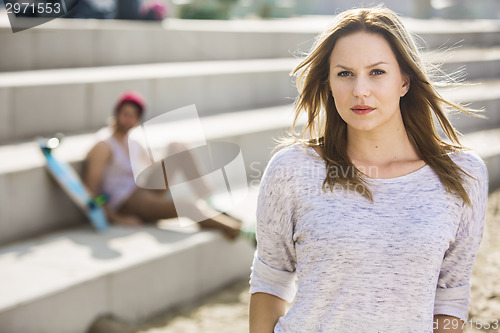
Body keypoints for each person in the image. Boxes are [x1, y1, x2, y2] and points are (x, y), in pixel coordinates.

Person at [249, 6, 488, 333]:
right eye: (345, 74)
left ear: (404, 80)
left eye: (377, 72)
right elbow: (270, 283)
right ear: (329, 83)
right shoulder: (292, 169)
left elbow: (450, 297)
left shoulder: (463, 175)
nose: (360, 90)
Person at [84, 91, 242, 240]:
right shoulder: (103, 146)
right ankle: (238, 230)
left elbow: (152, 166)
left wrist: (170, 158)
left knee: (176, 146)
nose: (129, 120)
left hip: (140, 190)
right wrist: (116, 218)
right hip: (126, 203)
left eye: (134, 116)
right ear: (117, 114)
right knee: (186, 206)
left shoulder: (132, 141)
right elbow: (90, 190)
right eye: (126, 114)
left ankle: (209, 200)